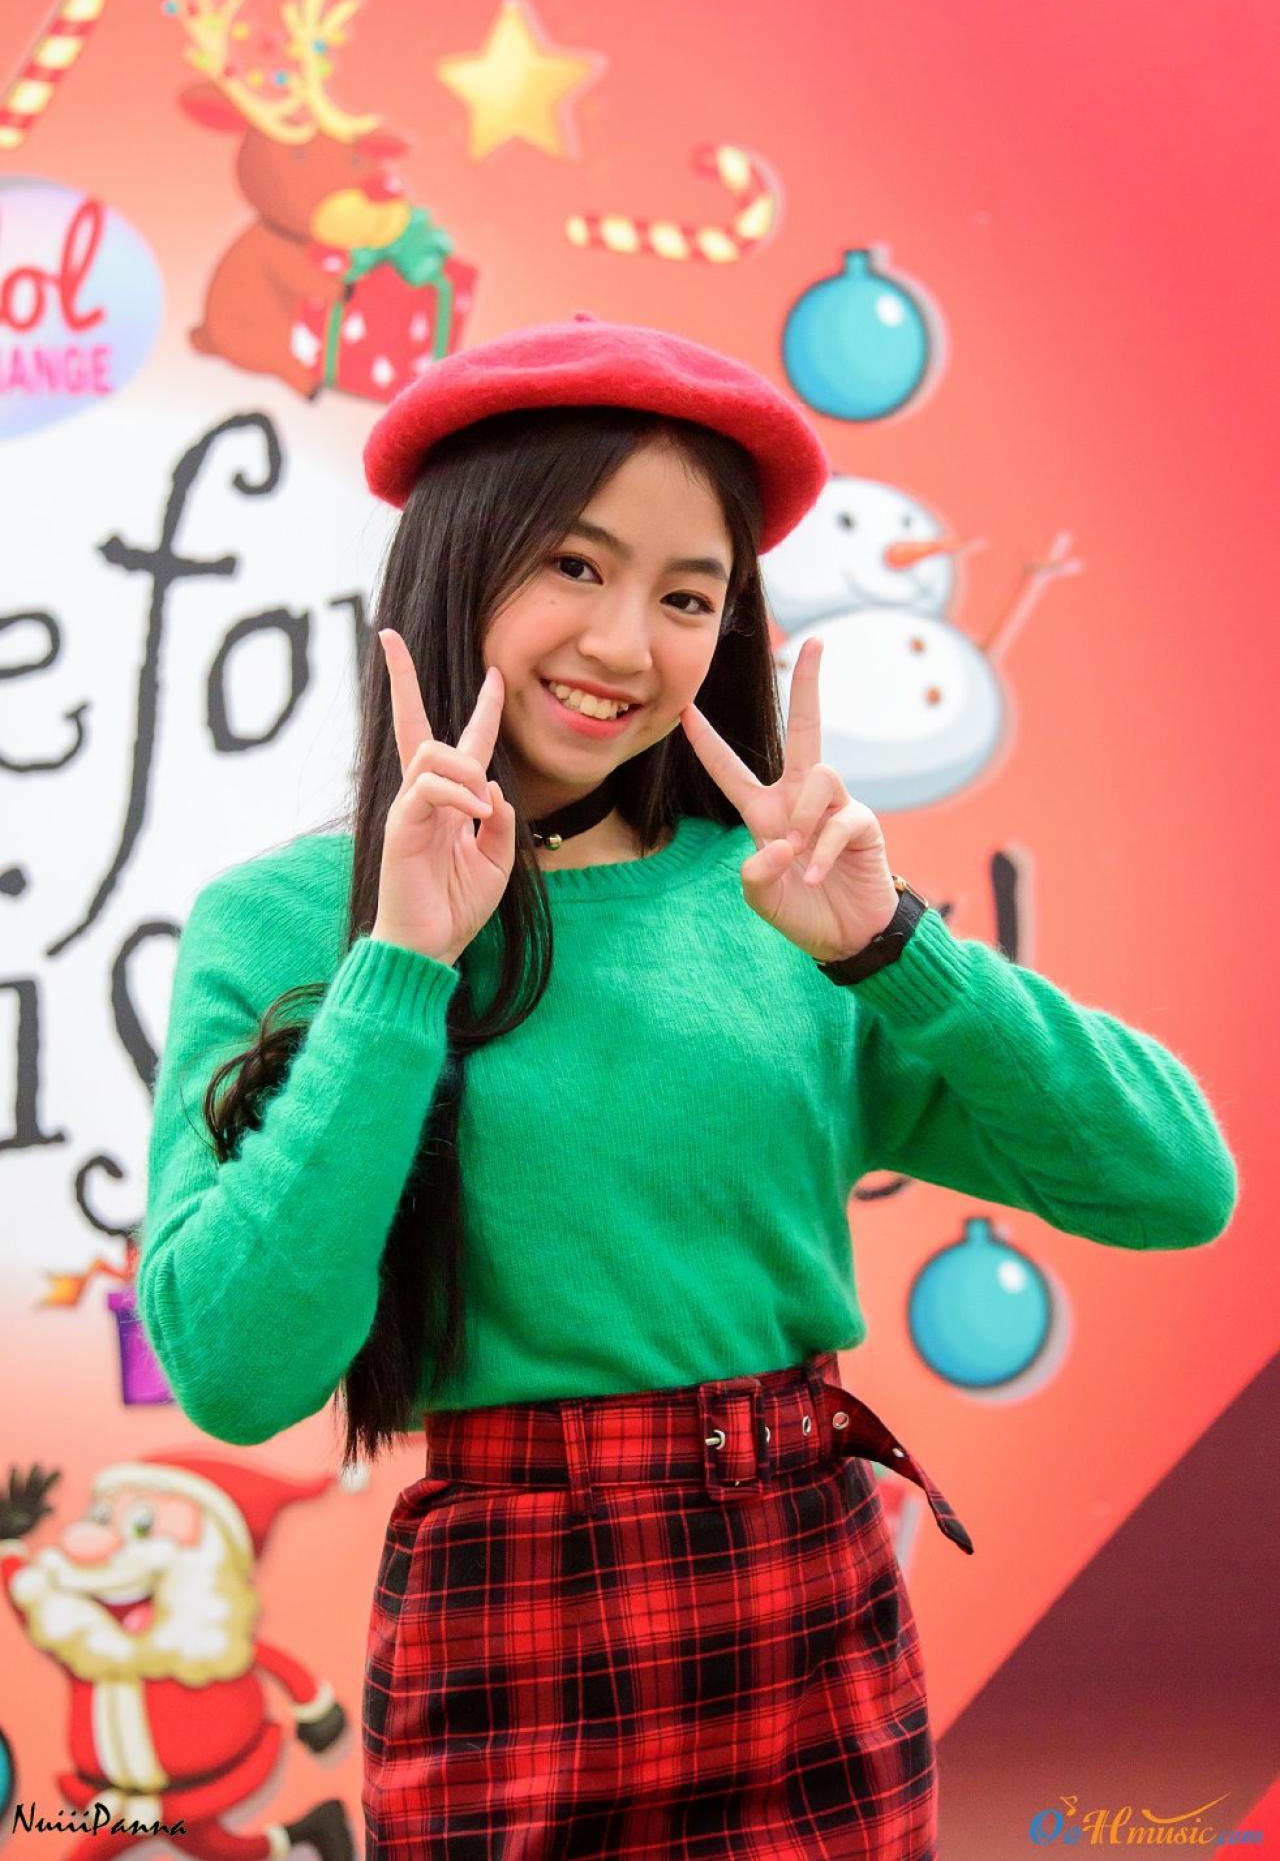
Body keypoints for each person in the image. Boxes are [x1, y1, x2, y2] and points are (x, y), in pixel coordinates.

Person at [138, 312, 1238, 1860]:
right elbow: (238, 1369)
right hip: (504, 1629)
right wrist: (401, 967)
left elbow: (1174, 1185)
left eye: (686, 596)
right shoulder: (283, 924)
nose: (623, 645)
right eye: (574, 564)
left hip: (808, 1612)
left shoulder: (784, 907)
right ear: (455, 567)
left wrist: (895, 948)